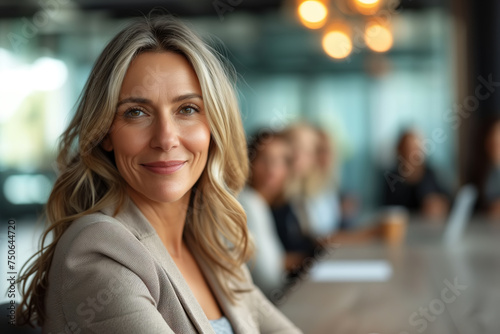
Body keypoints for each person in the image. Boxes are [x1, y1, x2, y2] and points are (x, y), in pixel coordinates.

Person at [16, 16, 302, 334]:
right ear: (105, 133)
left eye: (187, 109)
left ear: (215, 126)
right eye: (136, 112)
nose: (166, 138)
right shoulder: (98, 251)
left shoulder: (210, 245)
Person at [238, 130, 303, 298]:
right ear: (248, 161)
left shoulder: (270, 203)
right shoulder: (248, 203)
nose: (271, 168)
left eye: (279, 161)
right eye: (263, 159)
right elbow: (269, 279)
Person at [382, 130, 449, 220]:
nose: (412, 153)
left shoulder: (429, 174)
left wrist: (439, 205)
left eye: (416, 148)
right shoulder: (392, 178)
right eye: (408, 149)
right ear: (400, 151)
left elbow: (446, 199)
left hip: (429, 226)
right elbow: (386, 209)